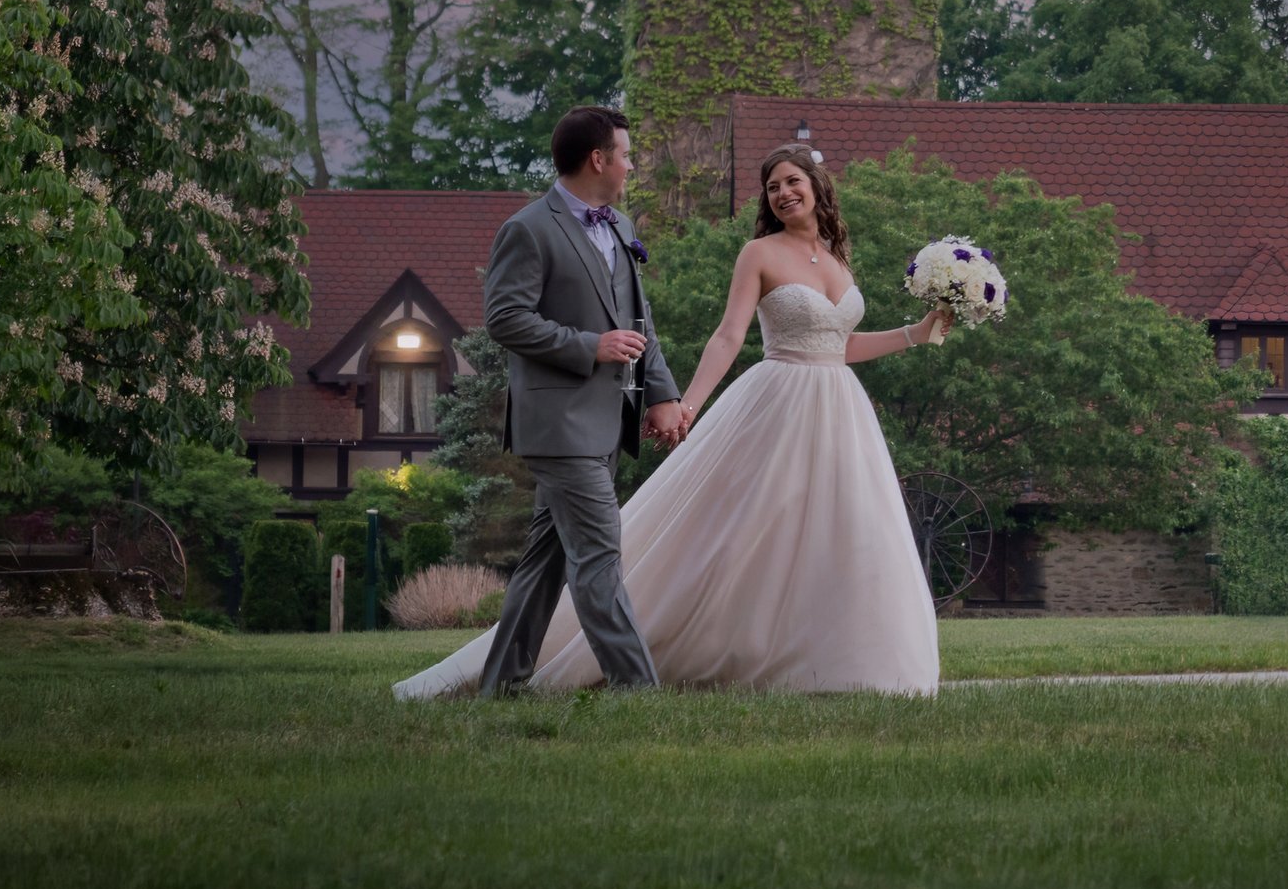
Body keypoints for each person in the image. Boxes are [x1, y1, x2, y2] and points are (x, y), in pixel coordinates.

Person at [396, 141, 951, 700]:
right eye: (772, 186)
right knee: (744, 532)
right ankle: (682, 654)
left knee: (847, 530)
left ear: (816, 185)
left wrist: (916, 333)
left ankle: (840, 658)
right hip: (777, 401)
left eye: (791, 182)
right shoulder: (758, 253)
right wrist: (689, 404)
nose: (782, 193)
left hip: (839, 411)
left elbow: (838, 344)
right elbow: (730, 335)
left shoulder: (836, 259)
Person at [469, 106, 686, 699]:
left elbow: (640, 323)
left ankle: (501, 684)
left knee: (545, 562)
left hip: (607, 421)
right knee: (599, 553)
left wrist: (662, 394)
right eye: (627, 153)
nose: (632, 163)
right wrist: (590, 346)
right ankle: (637, 688)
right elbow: (505, 318)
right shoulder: (528, 229)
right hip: (558, 425)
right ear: (599, 159)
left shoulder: (619, 223)